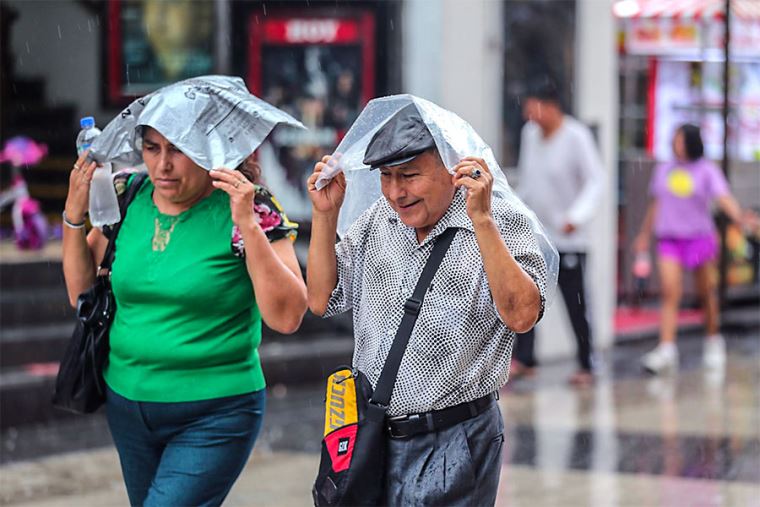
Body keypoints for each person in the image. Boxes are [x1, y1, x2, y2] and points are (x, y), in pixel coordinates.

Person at [307, 103, 549, 505]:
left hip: (458, 439)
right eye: (387, 177)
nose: (396, 192)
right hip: (375, 436)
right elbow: (320, 299)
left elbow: (522, 315)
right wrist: (325, 217)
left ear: (452, 167)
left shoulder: (501, 220)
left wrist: (483, 222)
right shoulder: (377, 221)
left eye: (410, 175)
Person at [62, 126, 308, 506]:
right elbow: (81, 293)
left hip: (215, 411)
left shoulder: (249, 203)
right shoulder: (130, 194)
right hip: (127, 404)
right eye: (151, 148)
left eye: (178, 150)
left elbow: (288, 316)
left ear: (210, 151)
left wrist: (248, 224)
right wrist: (74, 218)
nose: (163, 165)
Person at [512, 81, 604, 386]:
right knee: (528, 296)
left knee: (575, 303)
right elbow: (528, 180)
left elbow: (596, 181)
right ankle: (526, 357)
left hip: (569, 239)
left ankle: (586, 362)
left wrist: (575, 217)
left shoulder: (576, 136)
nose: (529, 116)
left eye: (533, 108)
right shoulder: (530, 136)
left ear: (551, 106)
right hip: (538, 236)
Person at [634, 123, 743, 374]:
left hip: (698, 238)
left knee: (706, 293)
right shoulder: (664, 170)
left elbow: (723, 197)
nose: (675, 143)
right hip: (669, 238)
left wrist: (740, 218)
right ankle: (667, 348)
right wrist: (643, 234)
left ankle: (713, 340)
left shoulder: (706, 170)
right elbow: (656, 204)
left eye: (680, 139)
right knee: (670, 292)